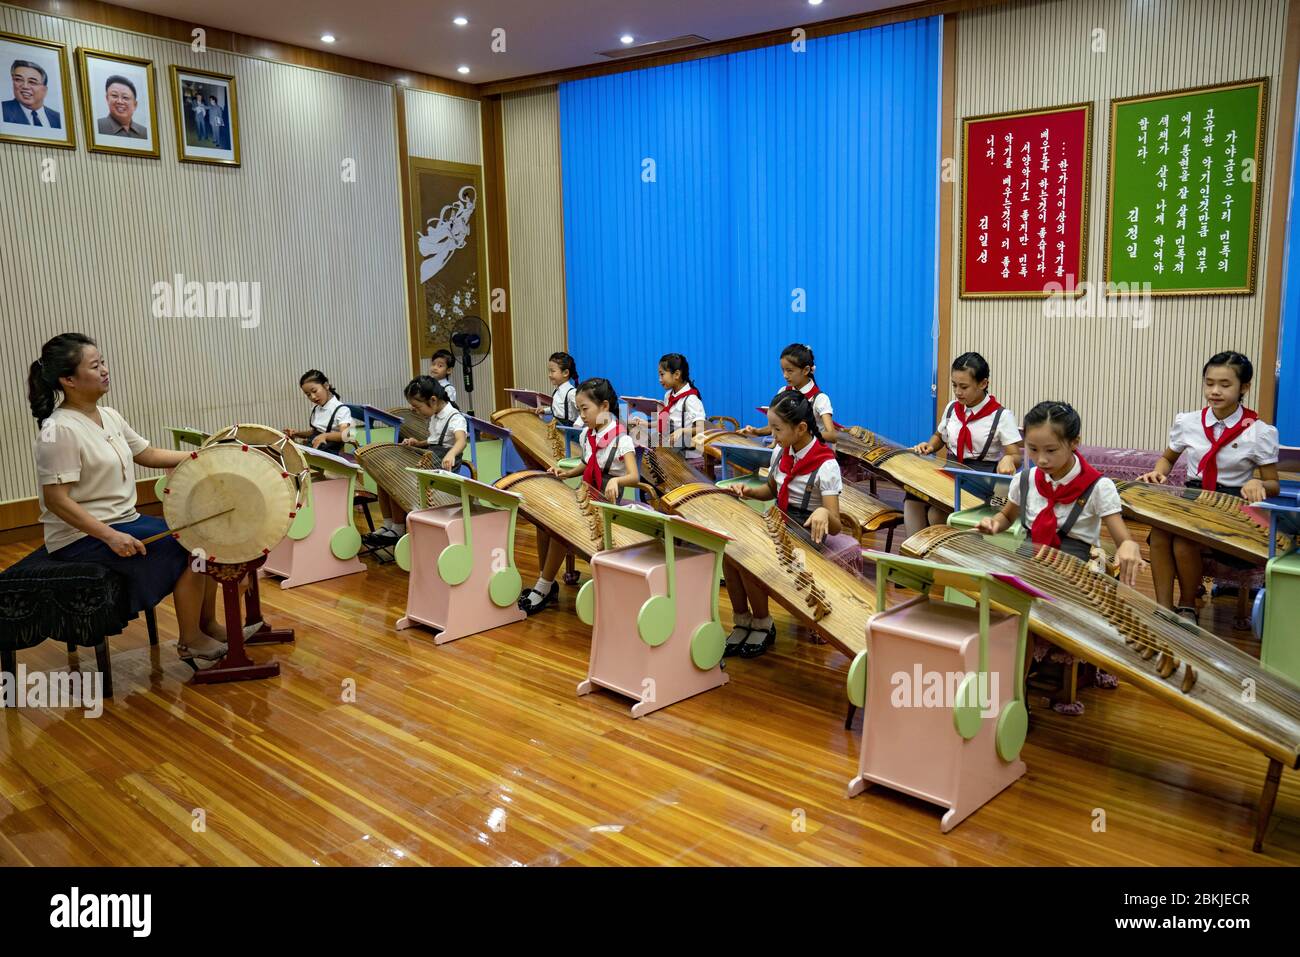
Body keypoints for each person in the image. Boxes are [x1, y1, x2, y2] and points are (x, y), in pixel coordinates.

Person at [28, 334, 230, 664]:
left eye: (103, 361)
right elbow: (56, 500)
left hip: (125, 520)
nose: (105, 370)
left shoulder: (109, 415)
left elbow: (146, 453)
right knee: (192, 548)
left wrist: (202, 455)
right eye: (95, 366)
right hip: (80, 537)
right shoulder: (59, 429)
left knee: (201, 535)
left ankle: (206, 624)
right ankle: (190, 639)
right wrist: (110, 536)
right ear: (68, 380)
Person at [1137, 351, 1280, 622]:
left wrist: (1258, 482)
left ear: (1244, 388)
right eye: (1209, 383)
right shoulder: (1188, 422)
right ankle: (1163, 608)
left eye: (1225, 385)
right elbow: (1167, 459)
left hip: (1232, 502)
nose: (1214, 391)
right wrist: (1158, 472)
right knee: (1159, 532)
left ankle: (1187, 605)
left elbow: (1274, 483)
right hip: (1194, 494)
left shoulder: (1258, 431)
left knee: (1184, 537)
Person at [723, 390, 854, 659]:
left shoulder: (826, 465)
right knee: (729, 553)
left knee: (750, 559)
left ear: (801, 428)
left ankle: (763, 624)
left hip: (808, 533)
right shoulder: (781, 452)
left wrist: (821, 511)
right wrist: (747, 491)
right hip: (779, 525)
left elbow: (837, 525)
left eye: (777, 429)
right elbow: (771, 490)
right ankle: (742, 620)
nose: (773, 436)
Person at [518, 378, 638, 616]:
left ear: (604, 407)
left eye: (585, 409)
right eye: (579, 409)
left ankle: (543, 586)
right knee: (544, 522)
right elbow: (586, 463)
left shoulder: (621, 439)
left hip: (606, 503)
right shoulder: (587, 435)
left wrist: (616, 479)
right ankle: (548, 582)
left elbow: (634, 476)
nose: (581, 415)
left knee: (562, 527)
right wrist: (566, 473)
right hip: (586, 496)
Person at [904, 351, 1023, 536]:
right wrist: (930, 446)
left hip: (980, 478)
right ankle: (916, 555)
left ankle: (942, 557)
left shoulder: (1001, 416)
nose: (958, 392)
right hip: (950, 470)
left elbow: (1015, 455)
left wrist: (1009, 459)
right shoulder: (952, 408)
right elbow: (939, 436)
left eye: (964, 386)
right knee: (912, 498)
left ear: (983, 383)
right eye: (954, 385)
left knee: (937, 512)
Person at [363, 377, 467, 548]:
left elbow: (461, 441)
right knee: (382, 476)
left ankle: (398, 528)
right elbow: (433, 441)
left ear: (433, 400)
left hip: (443, 465)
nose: (416, 411)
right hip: (431, 457)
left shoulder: (455, 417)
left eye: (418, 407)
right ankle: (388, 524)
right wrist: (416, 443)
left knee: (395, 476)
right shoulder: (435, 415)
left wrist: (452, 454)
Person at [738, 343, 841, 444]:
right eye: (783, 370)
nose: (785, 375)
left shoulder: (820, 399)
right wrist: (755, 431)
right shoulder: (783, 392)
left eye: (789, 371)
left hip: (811, 454)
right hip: (786, 453)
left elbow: (832, 436)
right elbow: (775, 428)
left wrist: (803, 433)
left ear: (806, 370)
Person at [285, 370, 353, 455]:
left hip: (330, 456)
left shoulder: (341, 409)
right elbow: (316, 432)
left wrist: (325, 436)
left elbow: (346, 435)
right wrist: (297, 433)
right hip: (315, 451)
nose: (312, 397)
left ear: (326, 386)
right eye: (308, 394)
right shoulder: (316, 408)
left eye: (314, 391)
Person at [3, 59, 62, 128]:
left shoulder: (58, 118)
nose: (25, 86)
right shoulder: (3, 110)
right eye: (18, 79)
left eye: (32, 82)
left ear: (44, 90)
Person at [96, 74, 148, 138]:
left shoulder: (145, 133)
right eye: (114, 95)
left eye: (125, 97)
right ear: (107, 98)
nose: (120, 101)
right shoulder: (97, 126)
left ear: (135, 105)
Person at [536, 351, 579, 426]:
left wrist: (578, 425)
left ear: (565, 373)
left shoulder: (571, 393)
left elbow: (584, 412)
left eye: (552, 371)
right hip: (556, 426)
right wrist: (544, 410)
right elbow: (558, 410)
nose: (549, 375)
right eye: (549, 371)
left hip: (568, 430)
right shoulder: (556, 391)